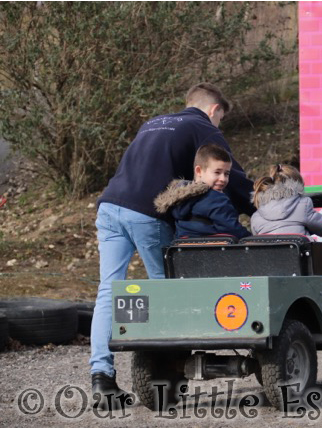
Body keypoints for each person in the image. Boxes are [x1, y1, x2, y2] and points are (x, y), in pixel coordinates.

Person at [91, 83, 254, 406]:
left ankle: (102, 378)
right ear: (214, 110)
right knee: (168, 288)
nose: (219, 127)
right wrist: (262, 205)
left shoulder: (152, 122)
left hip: (110, 207)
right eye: (220, 119)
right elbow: (230, 178)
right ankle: (166, 373)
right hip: (147, 213)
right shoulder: (204, 127)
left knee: (109, 290)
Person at [154, 144, 250, 239]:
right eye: (217, 172)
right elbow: (233, 229)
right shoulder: (216, 199)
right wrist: (249, 238)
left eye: (226, 174)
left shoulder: (179, 199)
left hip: (185, 251)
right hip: (215, 251)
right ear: (199, 171)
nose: (223, 179)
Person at [250, 164, 322, 238]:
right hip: (301, 259)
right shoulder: (302, 205)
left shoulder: (256, 217)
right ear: (298, 184)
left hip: (268, 260)